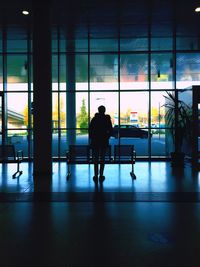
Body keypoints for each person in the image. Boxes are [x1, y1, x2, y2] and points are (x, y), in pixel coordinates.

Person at [89, 105, 113, 183]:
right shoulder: (107, 119)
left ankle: (96, 175)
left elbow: (90, 130)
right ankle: (101, 175)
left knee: (95, 159)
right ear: (104, 111)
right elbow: (110, 130)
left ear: (98, 110)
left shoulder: (94, 119)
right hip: (104, 141)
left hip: (95, 141)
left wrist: (92, 138)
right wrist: (107, 136)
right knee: (102, 158)